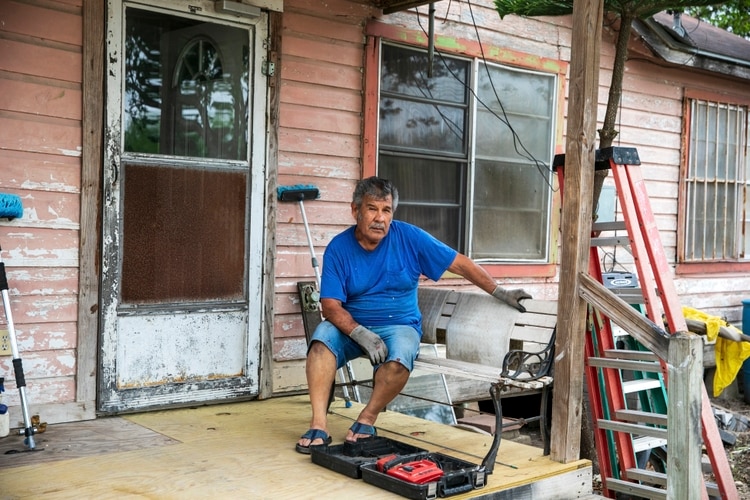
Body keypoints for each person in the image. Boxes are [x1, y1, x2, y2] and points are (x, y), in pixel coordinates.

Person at [295, 176, 531, 453]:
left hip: (399, 326)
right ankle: (319, 423)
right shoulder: (339, 247)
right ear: (355, 210)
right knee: (321, 341)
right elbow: (331, 306)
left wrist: (500, 291)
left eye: (387, 210)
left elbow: (460, 264)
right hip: (351, 327)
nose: (380, 218)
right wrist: (359, 332)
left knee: (400, 358)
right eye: (372, 209)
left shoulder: (409, 237)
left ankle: (367, 418)